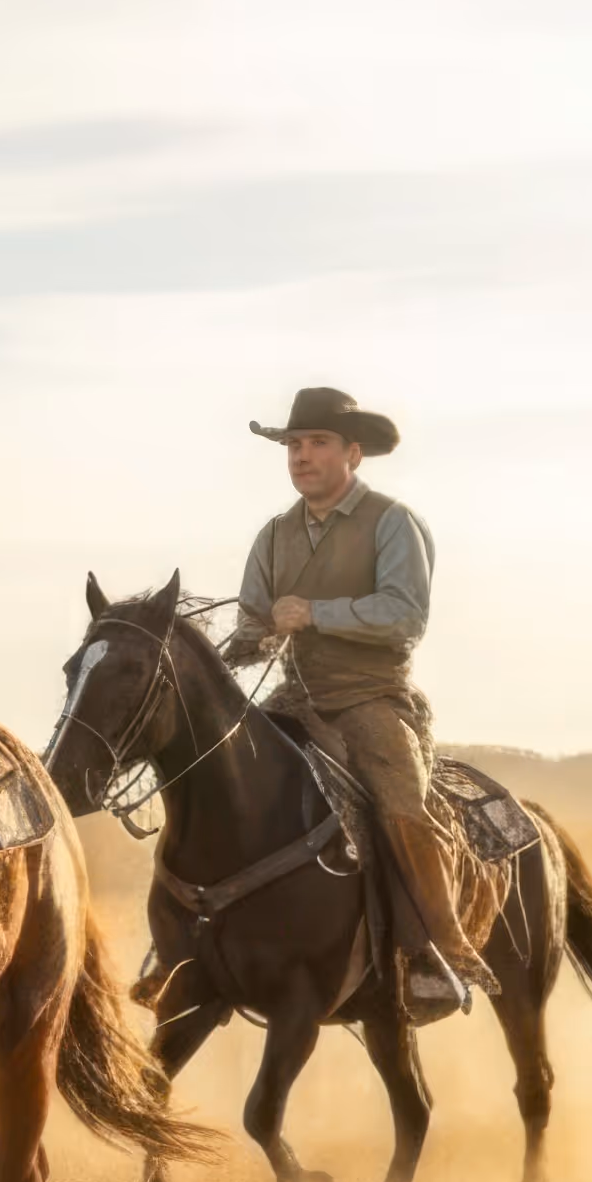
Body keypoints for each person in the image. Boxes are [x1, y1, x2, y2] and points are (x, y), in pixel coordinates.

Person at [219, 386, 493, 1023]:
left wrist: (314, 613)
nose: (301, 456)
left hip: (374, 698)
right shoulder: (274, 534)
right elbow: (251, 626)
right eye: (293, 444)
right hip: (295, 698)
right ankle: (187, 940)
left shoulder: (393, 522)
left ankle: (435, 951)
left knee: (401, 801)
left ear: (354, 453)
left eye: (316, 443)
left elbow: (405, 615)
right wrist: (240, 645)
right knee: (219, 775)